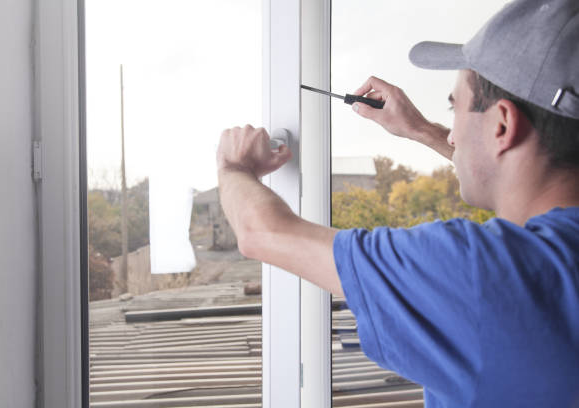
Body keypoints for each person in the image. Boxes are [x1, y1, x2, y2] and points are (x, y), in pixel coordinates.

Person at [216, 0, 579, 406]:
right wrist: (423, 130)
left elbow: (262, 234)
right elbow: (521, 175)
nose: (453, 134)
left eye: (453, 106)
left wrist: (234, 168)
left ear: (502, 125)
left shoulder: (483, 275)